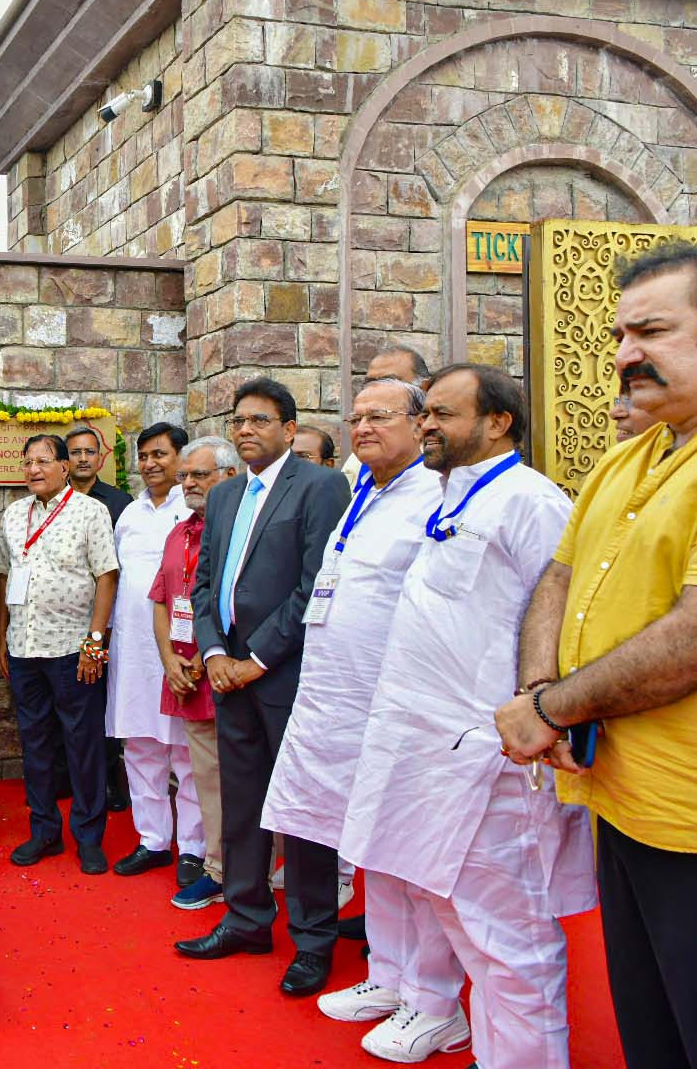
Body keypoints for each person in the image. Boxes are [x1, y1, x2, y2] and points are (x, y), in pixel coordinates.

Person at [342, 364, 595, 1069]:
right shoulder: (451, 497)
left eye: (443, 415)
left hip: (493, 761)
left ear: (497, 422)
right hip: (430, 753)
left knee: (510, 940)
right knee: (463, 922)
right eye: (424, 415)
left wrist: (535, 713)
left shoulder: (530, 501)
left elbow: (561, 620)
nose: (426, 425)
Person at [495, 241, 697, 1069]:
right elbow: (561, 572)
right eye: (618, 335)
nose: (623, 356)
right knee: (650, 1026)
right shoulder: (631, 453)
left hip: (689, 818)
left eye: (650, 331)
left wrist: (549, 709)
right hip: (622, 799)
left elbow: (691, 636)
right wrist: (543, 687)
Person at [257, 379, 459, 1055]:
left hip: (400, 703)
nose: (363, 426)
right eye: (357, 416)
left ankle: (436, 999)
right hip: (340, 702)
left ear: (421, 422)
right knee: (374, 848)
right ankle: (391, 976)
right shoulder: (365, 492)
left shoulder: (436, 495)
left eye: (381, 416)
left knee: (408, 850)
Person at [173, 378, 351, 1000]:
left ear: (286, 428)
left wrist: (257, 658)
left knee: (300, 811)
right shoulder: (223, 499)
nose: (246, 430)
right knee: (242, 801)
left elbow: (316, 585)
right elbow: (204, 587)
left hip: (288, 675)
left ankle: (312, 940)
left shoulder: (322, 487)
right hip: (229, 676)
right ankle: (247, 919)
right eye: (239, 421)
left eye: (260, 421)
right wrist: (217, 651)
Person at [0, 433, 120, 875]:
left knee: (83, 743)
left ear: (65, 467)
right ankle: (44, 831)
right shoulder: (13, 514)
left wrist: (95, 642)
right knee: (35, 744)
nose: (33, 469)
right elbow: (6, 580)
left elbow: (107, 577)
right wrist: (2, 639)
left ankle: (88, 836)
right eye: (27, 461)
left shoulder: (91, 512)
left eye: (43, 461)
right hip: (25, 648)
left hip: (73, 649)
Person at [105, 422, 198, 877]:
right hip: (133, 650)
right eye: (143, 456)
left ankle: (195, 848)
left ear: (180, 458)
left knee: (186, 751)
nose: (150, 464)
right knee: (140, 746)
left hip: (180, 650)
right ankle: (153, 839)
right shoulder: (130, 513)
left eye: (159, 454)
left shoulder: (195, 508)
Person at [149, 436, 239, 907]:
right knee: (206, 777)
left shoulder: (242, 530)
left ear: (229, 475)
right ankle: (219, 868)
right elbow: (161, 599)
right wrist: (169, 660)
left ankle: (253, 870)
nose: (187, 484)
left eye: (198, 475)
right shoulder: (178, 532)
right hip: (185, 674)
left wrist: (211, 656)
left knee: (244, 777)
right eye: (184, 475)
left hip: (231, 674)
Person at [65, 423, 133, 813]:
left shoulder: (120, 503)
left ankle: (108, 783)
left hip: (105, 619)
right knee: (68, 706)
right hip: (66, 619)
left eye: (90, 451)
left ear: (101, 456)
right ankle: (67, 780)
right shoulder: (54, 499)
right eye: (76, 452)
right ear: (66, 459)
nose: (84, 458)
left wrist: (105, 626)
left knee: (102, 705)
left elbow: (120, 567)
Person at [342, 348, 432, 485]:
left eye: (390, 381)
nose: (362, 429)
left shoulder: (442, 465)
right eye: (369, 383)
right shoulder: (360, 459)